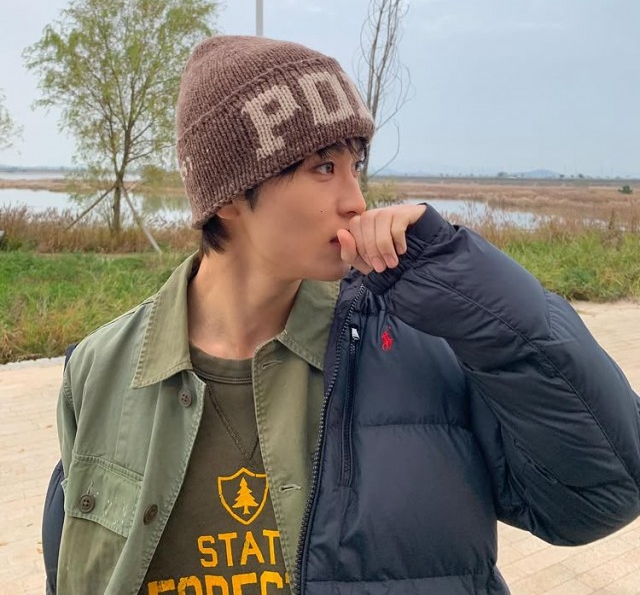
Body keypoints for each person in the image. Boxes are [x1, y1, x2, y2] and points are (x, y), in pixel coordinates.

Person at [52, 35, 640, 595]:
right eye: (323, 167)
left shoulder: (417, 343)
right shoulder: (100, 369)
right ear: (228, 195)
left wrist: (463, 280)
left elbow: (602, 494)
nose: (356, 200)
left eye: (354, 165)